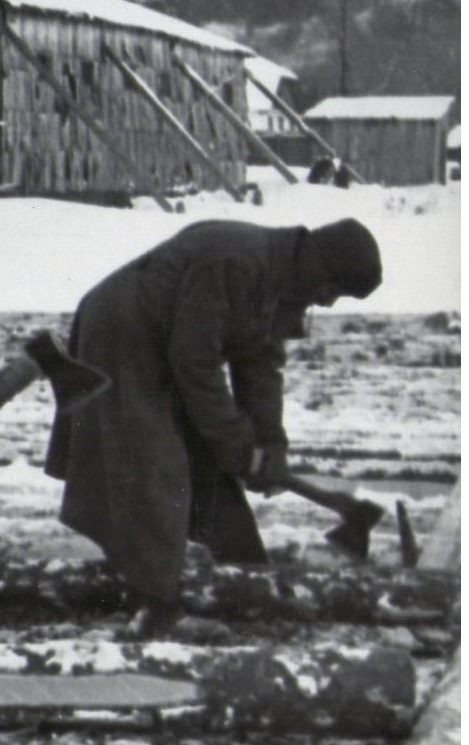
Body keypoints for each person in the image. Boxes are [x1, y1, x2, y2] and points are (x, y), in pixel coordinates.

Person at [46, 218, 383, 637]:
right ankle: (155, 604)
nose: (328, 302)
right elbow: (195, 363)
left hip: (167, 346)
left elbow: (261, 365)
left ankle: (247, 572)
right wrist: (240, 449)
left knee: (203, 460)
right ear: (318, 263)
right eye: (333, 289)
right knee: (155, 461)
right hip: (122, 333)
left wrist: (269, 444)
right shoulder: (237, 260)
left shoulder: (282, 279)